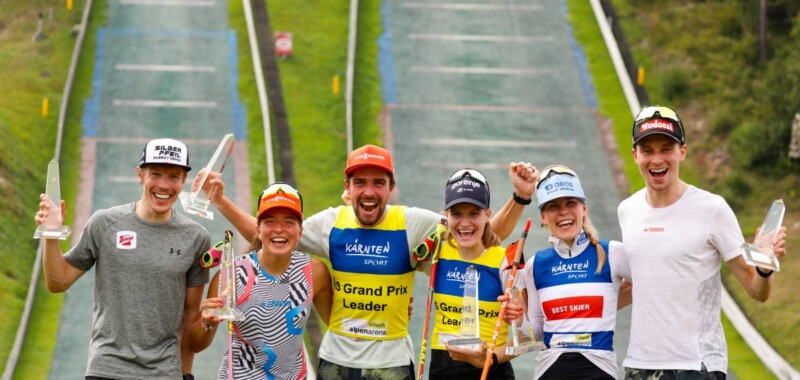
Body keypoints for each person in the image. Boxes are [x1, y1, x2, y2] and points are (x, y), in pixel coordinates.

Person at [193, 144, 537, 379]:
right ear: (348, 186)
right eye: (360, 182)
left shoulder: (412, 222)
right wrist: (221, 201)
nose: (368, 191)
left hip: (393, 364)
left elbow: (479, 232)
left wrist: (520, 197)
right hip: (337, 362)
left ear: (391, 187)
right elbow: (275, 233)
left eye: (378, 182)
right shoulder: (331, 222)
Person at [618, 105, 788, 379]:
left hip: (698, 365)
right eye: (647, 150)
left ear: (682, 152)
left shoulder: (712, 209)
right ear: (635, 155)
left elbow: (757, 290)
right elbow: (638, 284)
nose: (657, 159)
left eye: (666, 149)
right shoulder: (627, 210)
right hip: (641, 364)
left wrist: (764, 267)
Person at [34, 138, 210, 379]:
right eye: (155, 174)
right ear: (140, 174)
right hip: (106, 368)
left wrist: (186, 373)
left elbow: (190, 315)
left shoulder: (196, 238)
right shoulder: (104, 223)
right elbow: (58, 281)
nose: (164, 185)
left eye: (174, 176)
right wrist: (51, 234)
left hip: (163, 372)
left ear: (183, 181)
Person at [189, 182, 333, 379]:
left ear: (300, 231)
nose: (279, 230)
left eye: (289, 222)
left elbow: (337, 326)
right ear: (258, 228)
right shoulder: (232, 273)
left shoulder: (314, 272)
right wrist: (207, 322)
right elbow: (196, 344)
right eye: (270, 221)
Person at [515, 165, 631, 380]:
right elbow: (535, 333)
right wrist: (516, 320)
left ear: (584, 208)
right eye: (553, 206)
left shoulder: (613, 252)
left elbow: (652, 283)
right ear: (543, 217)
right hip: (549, 369)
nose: (563, 212)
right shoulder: (536, 264)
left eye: (571, 202)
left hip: (599, 368)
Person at [427, 168, 518, 379]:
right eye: (457, 214)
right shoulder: (436, 252)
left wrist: (492, 357)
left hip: (492, 370)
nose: (465, 223)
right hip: (442, 369)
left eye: (474, 213)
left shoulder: (507, 261)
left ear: (488, 215)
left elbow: (532, 340)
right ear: (445, 216)